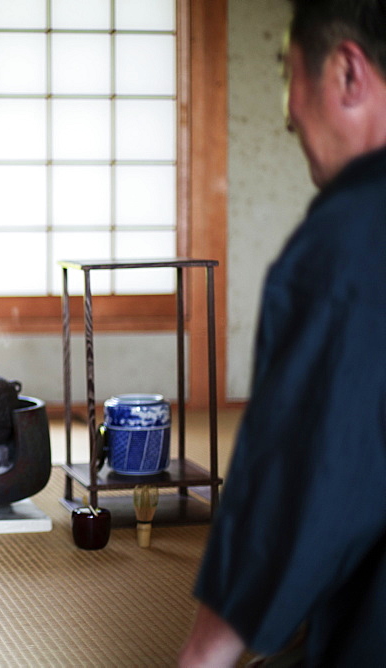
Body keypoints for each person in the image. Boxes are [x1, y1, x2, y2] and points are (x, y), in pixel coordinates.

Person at [180, 1, 386, 664]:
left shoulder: (349, 240)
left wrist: (204, 655)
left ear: (347, 73)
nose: (288, 111)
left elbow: (305, 477)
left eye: (289, 75)